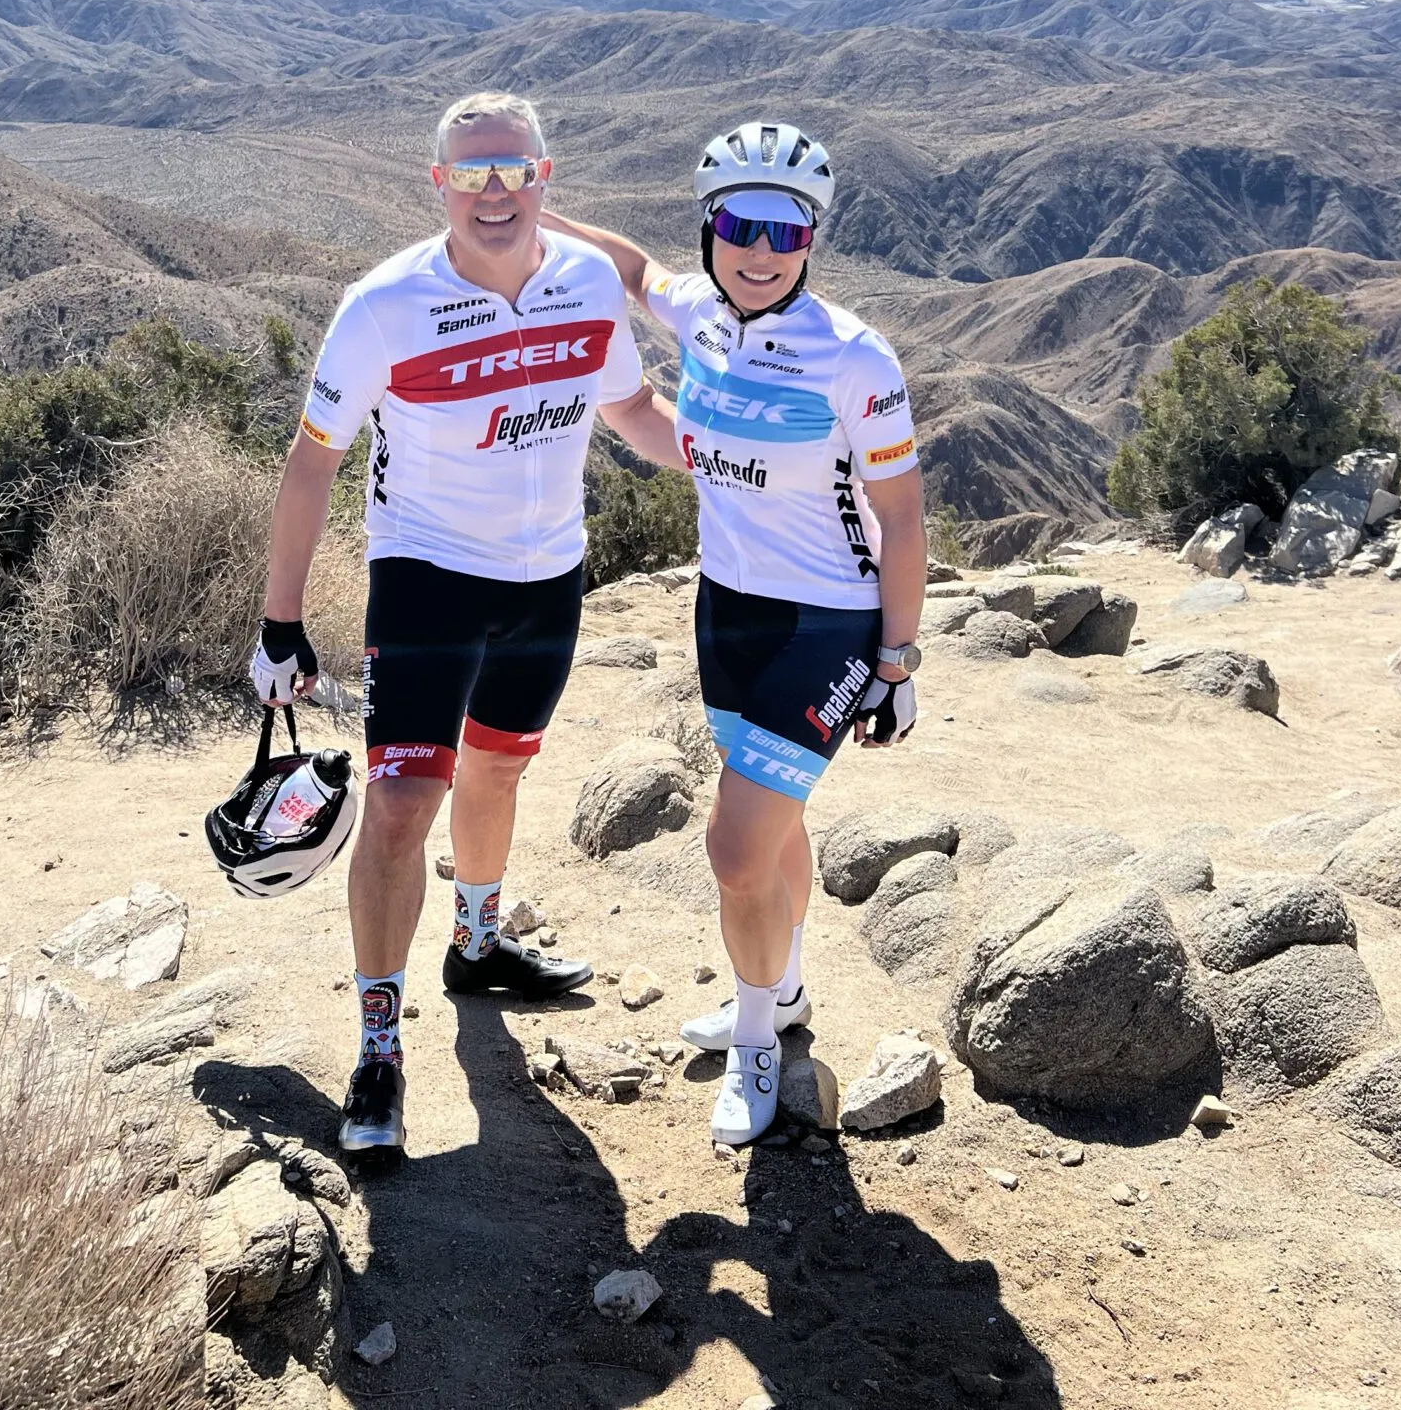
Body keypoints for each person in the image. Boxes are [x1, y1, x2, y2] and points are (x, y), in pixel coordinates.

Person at [250, 90, 679, 1156]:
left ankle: (478, 943)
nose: (494, 192)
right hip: (429, 575)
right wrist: (280, 622)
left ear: (546, 177)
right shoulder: (383, 304)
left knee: (497, 771)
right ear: (436, 184)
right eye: (471, 174)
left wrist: (746, 466)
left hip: (549, 577)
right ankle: (378, 1046)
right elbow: (313, 461)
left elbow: (629, 412)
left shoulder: (585, 283)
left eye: (512, 170)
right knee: (402, 805)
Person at [545, 122, 925, 1146]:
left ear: (812, 240)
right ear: (711, 227)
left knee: (732, 849)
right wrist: (527, 217)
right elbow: (631, 271)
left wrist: (896, 659)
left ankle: (760, 1043)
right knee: (775, 827)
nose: (760, 250)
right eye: (740, 225)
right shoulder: (698, 314)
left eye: (786, 231)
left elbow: (902, 514)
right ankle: (784, 991)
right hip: (726, 611)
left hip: (826, 624)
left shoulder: (855, 359)